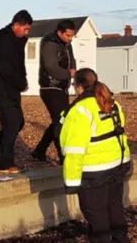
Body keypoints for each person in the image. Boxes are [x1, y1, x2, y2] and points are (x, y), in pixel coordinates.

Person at [59, 68, 131, 243]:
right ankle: (121, 239)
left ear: (78, 87)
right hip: (118, 165)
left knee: (96, 214)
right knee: (114, 207)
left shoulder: (80, 110)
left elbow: (74, 150)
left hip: (94, 171)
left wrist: (72, 183)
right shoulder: (111, 102)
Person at [0, 10, 33, 173]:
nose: (27, 32)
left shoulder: (18, 42)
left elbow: (19, 65)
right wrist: (20, 83)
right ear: (16, 25)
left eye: (28, 29)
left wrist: (23, 80)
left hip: (12, 89)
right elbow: (6, 69)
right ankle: (5, 163)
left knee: (19, 122)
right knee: (11, 124)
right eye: (25, 29)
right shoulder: (3, 41)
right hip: (1, 89)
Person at [31, 19, 77, 165]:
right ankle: (63, 157)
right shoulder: (49, 44)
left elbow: (72, 61)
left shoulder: (66, 44)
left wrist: (72, 73)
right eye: (68, 35)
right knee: (60, 123)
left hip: (61, 87)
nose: (70, 39)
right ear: (60, 32)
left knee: (59, 120)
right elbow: (51, 67)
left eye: (72, 36)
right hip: (50, 87)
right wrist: (69, 74)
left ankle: (39, 151)